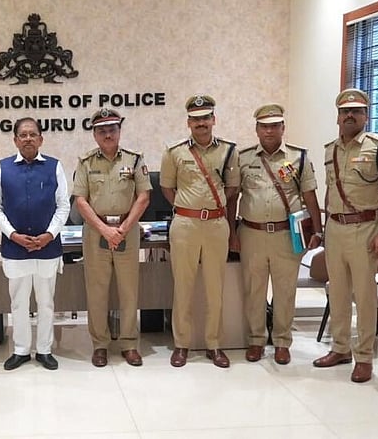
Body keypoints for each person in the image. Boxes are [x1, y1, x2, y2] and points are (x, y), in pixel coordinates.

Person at [314, 88, 378, 383]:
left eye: (356, 111)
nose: (350, 115)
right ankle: (340, 348)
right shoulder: (330, 149)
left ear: (365, 115)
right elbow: (329, 190)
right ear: (338, 116)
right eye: (344, 111)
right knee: (337, 292)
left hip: (365, 228)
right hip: (336, 228)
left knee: (363, 295)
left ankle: (364, 357)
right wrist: (325, 230)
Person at [233, 104, 323, 365]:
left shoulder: (299, 157)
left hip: (287, 235)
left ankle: (282, 342)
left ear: (283, 127)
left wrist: (317, 230)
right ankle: (257, 340)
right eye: (264, 126)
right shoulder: (244, 158)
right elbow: (232, 197)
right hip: (252, 232)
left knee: (285, 291)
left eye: (274, 125)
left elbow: (309, 196)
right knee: (254, 290)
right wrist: (232, 233)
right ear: (257, 129)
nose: (269, 130)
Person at [159, 94, 239, 369]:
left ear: (213, 120)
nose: (201, 123)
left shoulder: (229, 151)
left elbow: (232, 188)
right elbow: (167, 188)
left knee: (215, 287)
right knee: (183, 286)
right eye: (196, 119)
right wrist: (188, 208)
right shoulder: (175, 152)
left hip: (217, 225)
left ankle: (214, 345)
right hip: (185, 225)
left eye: (206, 118)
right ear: (188, 123)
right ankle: (181, 344)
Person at [0, 117, 70, 371]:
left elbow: (64, 205)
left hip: (48, 247)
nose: (28, 139)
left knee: (46, 302)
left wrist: (50, 234)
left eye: (32, 134)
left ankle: (45, 350)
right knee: (19, 302)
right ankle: (22, 350)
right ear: (15, 140)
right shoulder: (1, 168)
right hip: (15, 248)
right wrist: (13, 235)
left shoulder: (55, 167)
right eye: (22, 135)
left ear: (41, 139)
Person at [73, 108, 151, 368]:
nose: (107, 134)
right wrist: (105, 230)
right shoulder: (85, 162)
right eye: (102, 130)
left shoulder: (135, 160)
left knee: (129, 290)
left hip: (127, 231)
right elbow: (80, 201)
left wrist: (125, 227)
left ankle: (129, 343)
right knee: (97, 291)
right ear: (94, 134)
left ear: (119, 131)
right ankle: (100, 345)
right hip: (96, 233)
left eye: (112, 129)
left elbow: (143, 197)